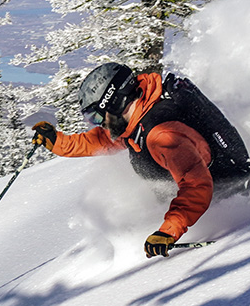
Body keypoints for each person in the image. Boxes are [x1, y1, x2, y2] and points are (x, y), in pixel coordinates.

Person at [32, 62, 215, 259]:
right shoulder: (136, 121)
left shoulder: (162, 136)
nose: (100, 123)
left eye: (97, 116)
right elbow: (101, 140)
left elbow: (197, 185)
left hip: (213, 210)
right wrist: (57, 142)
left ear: (115, 103)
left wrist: (168, 231)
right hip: (189, 209)